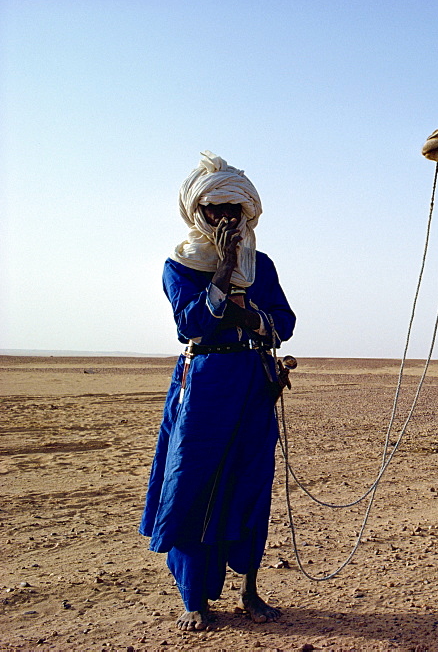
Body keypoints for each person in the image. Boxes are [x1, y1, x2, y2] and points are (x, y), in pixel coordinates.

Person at [140, 151, 296, 631]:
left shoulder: (262, 265)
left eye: (235, 211)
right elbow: (193, 324)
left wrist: (251, 317)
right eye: (217, 211)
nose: (227, 219)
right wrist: (224, 271)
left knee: (251, 482)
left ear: (247, 213)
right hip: (205, 385)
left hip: (252, 382)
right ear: (200, 213)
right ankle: (194, 599)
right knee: (193, 482)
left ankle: (250, 590)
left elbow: (283, 324)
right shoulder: (180, 266)